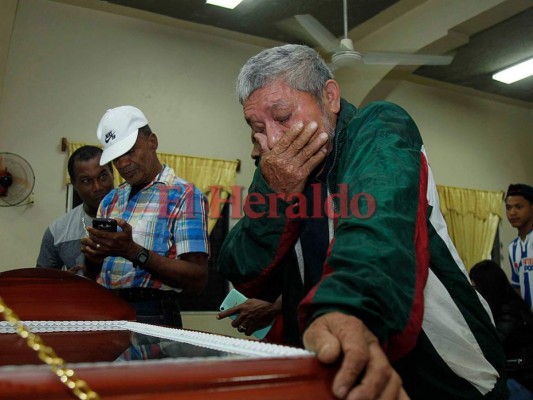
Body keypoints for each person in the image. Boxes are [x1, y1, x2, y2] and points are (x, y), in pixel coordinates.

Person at [217, 44, 507, 399]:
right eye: (257, 127)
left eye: (282, 116)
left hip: (441, 367)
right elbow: (242, 267)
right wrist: (278, 197)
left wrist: (345, 307)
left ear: (330, 97)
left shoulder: (380, 129)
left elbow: (377, 227)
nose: (272, 140)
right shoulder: (276, 170)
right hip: (329, 365)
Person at [81, 105, 209, 328]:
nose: (122, 164)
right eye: (116, 157)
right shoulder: (110, 200)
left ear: (152, 142)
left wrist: (133, 251)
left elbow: (197, 279)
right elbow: (92, 275)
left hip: (153, 315)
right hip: (105, 310)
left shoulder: (184, 195)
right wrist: (92, 258)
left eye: (130, 152)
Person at [36, 145, 114, 271]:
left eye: (103, 176)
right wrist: (66, 285)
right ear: (74, 184)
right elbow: (42, 283)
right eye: (86, 181)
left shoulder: (139, 217)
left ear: (113, 174)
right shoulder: (58, 231)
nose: (97, 187)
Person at [470, 260, 533, 399]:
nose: (474, 294)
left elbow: (490, 348)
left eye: (475, 288)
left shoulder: (509, 314)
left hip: (521, 380)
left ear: (487, 287)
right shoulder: (504, 306)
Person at [505, 183, 533, 310]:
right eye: (508, 207)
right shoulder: (513, 248)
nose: (512, 212)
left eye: (519, 207)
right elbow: (517, 288)